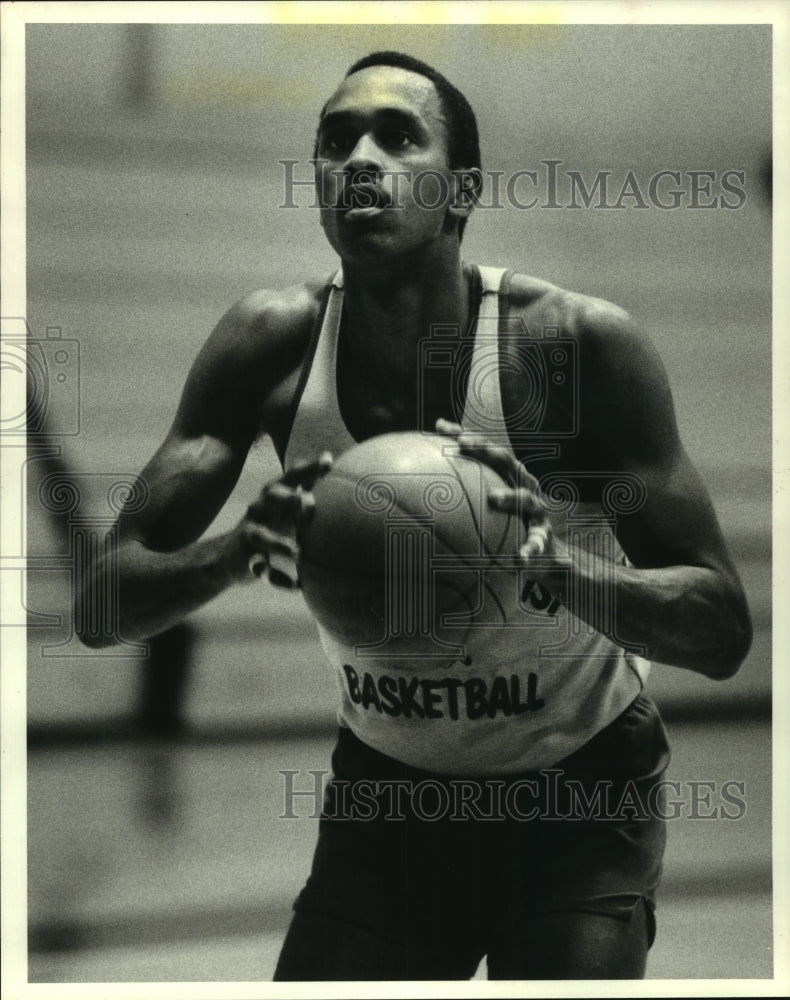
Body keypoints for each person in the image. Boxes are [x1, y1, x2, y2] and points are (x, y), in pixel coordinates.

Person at [78, 51, 752, 980]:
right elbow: (101, 604)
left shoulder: (571, 345)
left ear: (462, 189)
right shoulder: (269, 345)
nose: (359, 157)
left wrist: (561, 574)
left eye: (397, 136)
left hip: (580, 793)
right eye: (335, 137)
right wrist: (233, 552)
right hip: (387, 795)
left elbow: (720, 629)